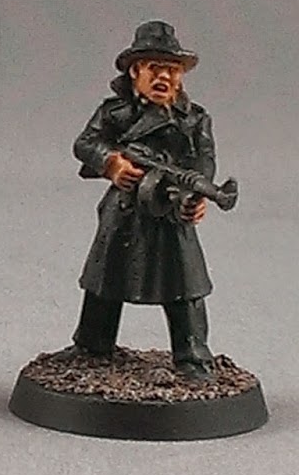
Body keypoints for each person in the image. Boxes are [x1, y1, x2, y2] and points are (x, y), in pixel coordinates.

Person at [71, 20, 218, 380]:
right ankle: (92, 344)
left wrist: (196, 197)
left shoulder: (194, 120)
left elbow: (203, 164)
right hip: (125, 208)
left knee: (185, 285)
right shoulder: (115, 114)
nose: (164, 77)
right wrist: (112, 163)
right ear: (136, 71)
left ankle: (193, 356)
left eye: (172, 69)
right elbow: (86, 143)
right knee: (104, 279)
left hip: (170, 210)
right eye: (155, 67)